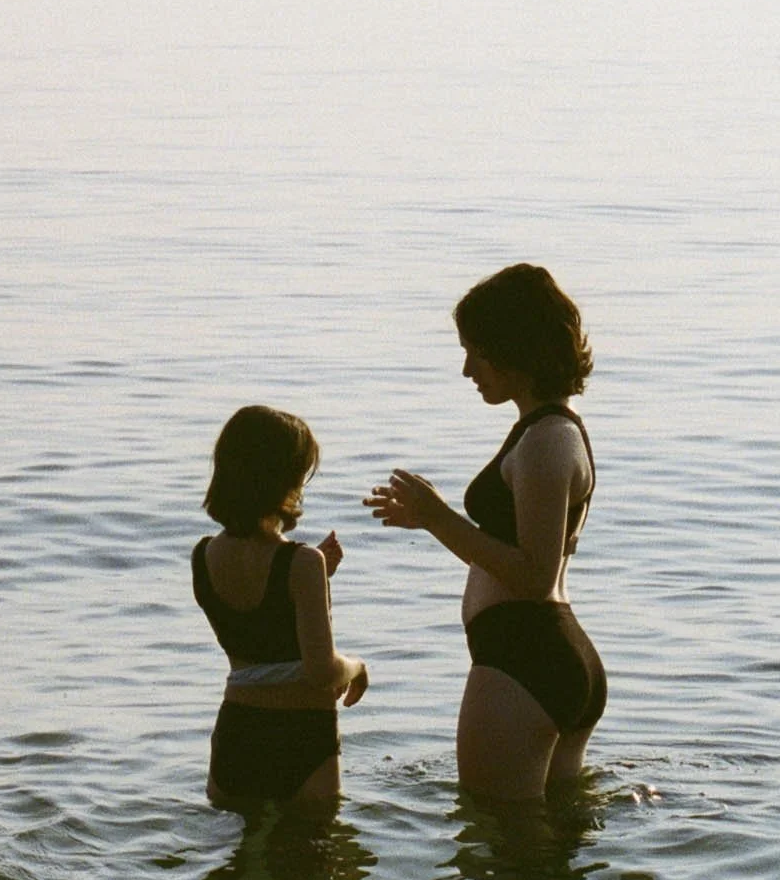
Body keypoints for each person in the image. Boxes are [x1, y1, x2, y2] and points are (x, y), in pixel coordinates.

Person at [363, 263, 605, 801]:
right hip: (545, 656)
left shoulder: (547, 440)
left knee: (498, 842)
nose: (468, 368)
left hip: (522, 659)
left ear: (515, 347)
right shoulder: (544, 432)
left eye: (477, 350)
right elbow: (521, 560)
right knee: (548, 851)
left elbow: (535, 576)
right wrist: (430, 522)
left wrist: (438, 517)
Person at [193, 405, 369, 812]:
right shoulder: (302, 562)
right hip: (301, 738)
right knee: (313, 868)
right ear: (285, 481)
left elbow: (256, 636)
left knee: (235, 870)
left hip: (236, 734)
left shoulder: (203, 556)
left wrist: (316, 580)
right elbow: (321, 671)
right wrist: (358, 667)